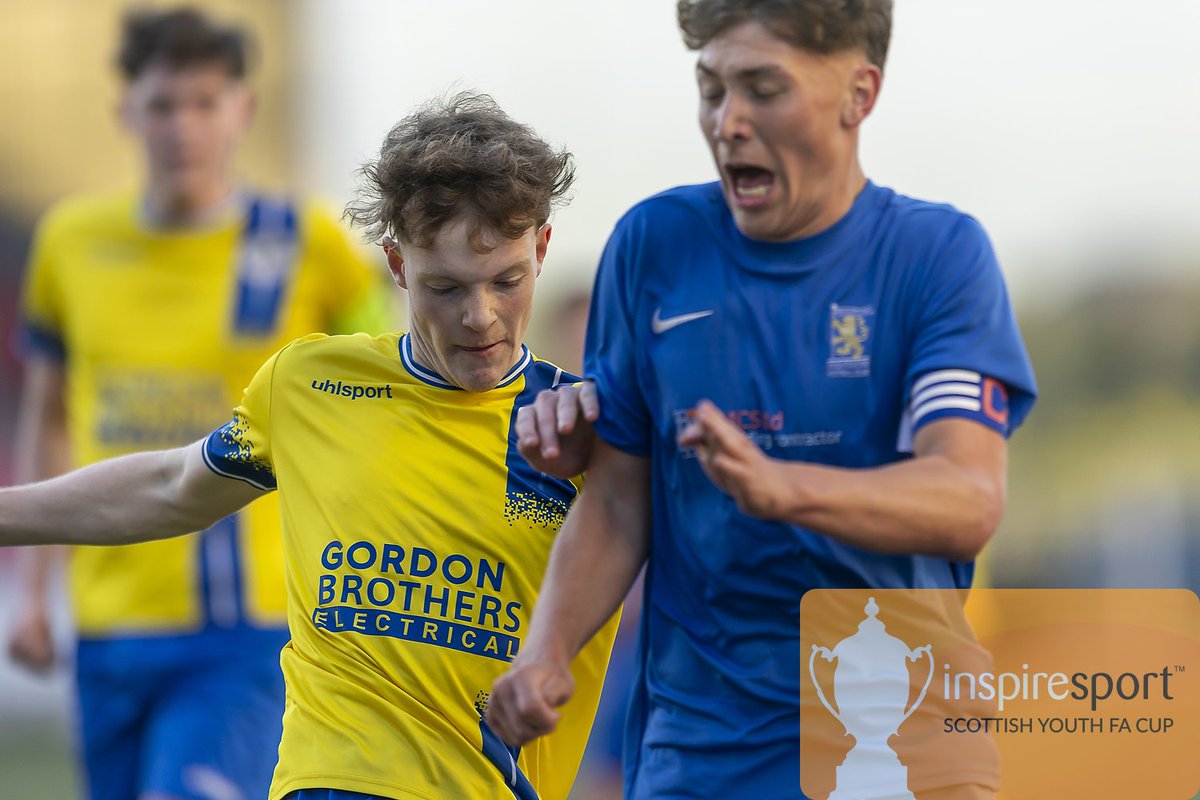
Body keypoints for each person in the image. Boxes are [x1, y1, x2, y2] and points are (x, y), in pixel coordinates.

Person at [487, 1, 1038, 798]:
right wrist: (546, 653)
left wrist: (786, 489)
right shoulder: (652, 246)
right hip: (701, 752)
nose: (728, 122)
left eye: (763, 88)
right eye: (711, 90)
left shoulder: (939, 257)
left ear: (860, 94)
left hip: (906, 746)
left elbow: (968, 496)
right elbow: (615, 500)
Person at [2, 90, 617, 800]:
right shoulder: (311, 383)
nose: (479, 317)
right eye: (444, 287)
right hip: (326, 782)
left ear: (541, 248)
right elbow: (171, 488)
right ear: (395, 263)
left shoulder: (589, 431)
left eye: (506, 281)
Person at [7, 7, 388, 799]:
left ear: (242, 110)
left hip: (250, 627)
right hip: (110, 623)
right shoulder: (68, 242)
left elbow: (388, 397)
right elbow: (46, 417)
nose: (183, 127)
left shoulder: (308, 241)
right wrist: (33, 591)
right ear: (125, 112)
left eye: (205, 103)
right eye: (163, 105)